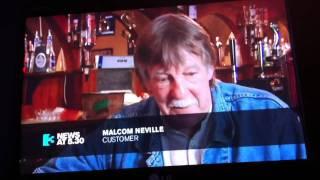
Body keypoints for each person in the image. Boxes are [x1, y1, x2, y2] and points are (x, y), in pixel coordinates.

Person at [34, 13, 306, 173]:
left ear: (211, 70)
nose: (179, 92)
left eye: (190, 74)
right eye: (164, 78)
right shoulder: (124, 127)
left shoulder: (269, 116)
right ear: (146, 84)